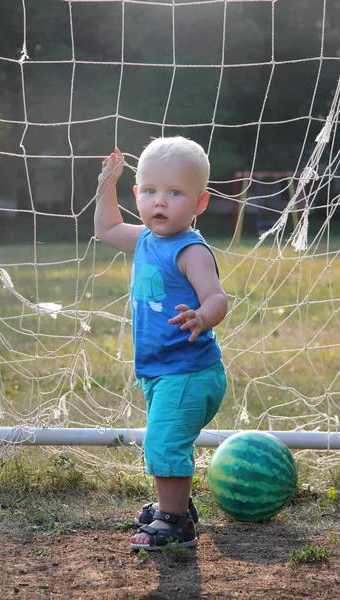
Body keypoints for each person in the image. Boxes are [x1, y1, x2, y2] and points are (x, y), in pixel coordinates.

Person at [94, 136, 228, 550]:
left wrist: (202, 317)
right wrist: (106, 187)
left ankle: (175, 523)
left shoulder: (190, 250)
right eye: (150, 191)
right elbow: (108, 228)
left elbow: (218, 297)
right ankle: (177, 506)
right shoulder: (145, 239)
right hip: (160, 371)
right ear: (137, 194)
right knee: (165, 438)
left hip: (189, 371)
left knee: (164, 442)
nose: (160, 202)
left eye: (174, 193)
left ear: (199, 203)